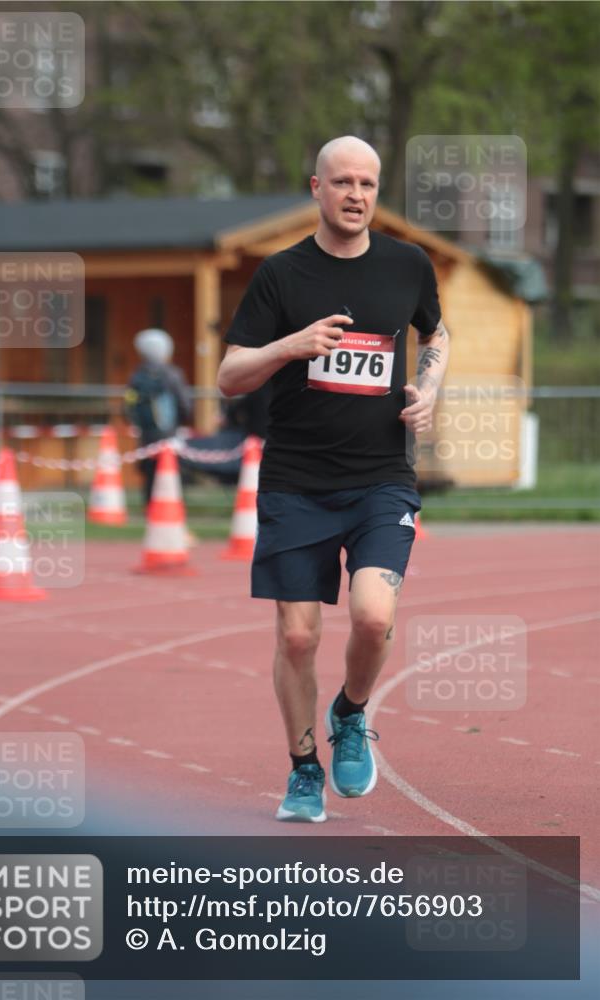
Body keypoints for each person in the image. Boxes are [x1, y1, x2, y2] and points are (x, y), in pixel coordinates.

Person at [217, 136, 450, 823]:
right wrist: (290, 345)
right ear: (316, 187)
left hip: (381, 476)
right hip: (295, 479)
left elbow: (436, 334)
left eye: (367, 184)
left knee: (374, 616)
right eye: (342, 182)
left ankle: (350, 712)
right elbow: (229, 376)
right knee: (297, 637)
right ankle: (302, 769)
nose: (355, 195)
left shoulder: (407, 265)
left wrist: (430, 389)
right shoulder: (281, 274)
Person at [124, 328, 192, 506]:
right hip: (169, 431)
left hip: (146, 432)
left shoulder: (137, 375)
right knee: (170, 468)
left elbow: (129, 403)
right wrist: (182, 421)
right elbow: (185, 405)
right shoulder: (173, 374)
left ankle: (149, 505)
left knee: (149, 469)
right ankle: (171, 505)